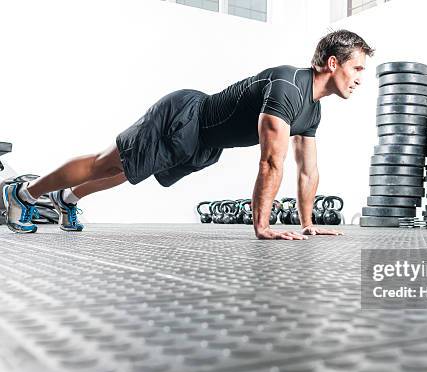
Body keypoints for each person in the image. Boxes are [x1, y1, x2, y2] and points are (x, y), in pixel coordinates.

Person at [2, 29, 374, 240]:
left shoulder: (312, 107)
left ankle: (67, 198)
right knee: (106, 163)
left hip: (203, 143)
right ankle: (23, 193)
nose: (359, 78)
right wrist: (262, 227)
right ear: (331, 63)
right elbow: (271, 161)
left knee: (128, 172)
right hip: (184, 117)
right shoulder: (287, 87)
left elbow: (307, 170)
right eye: (356, 68)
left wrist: (308, 223)